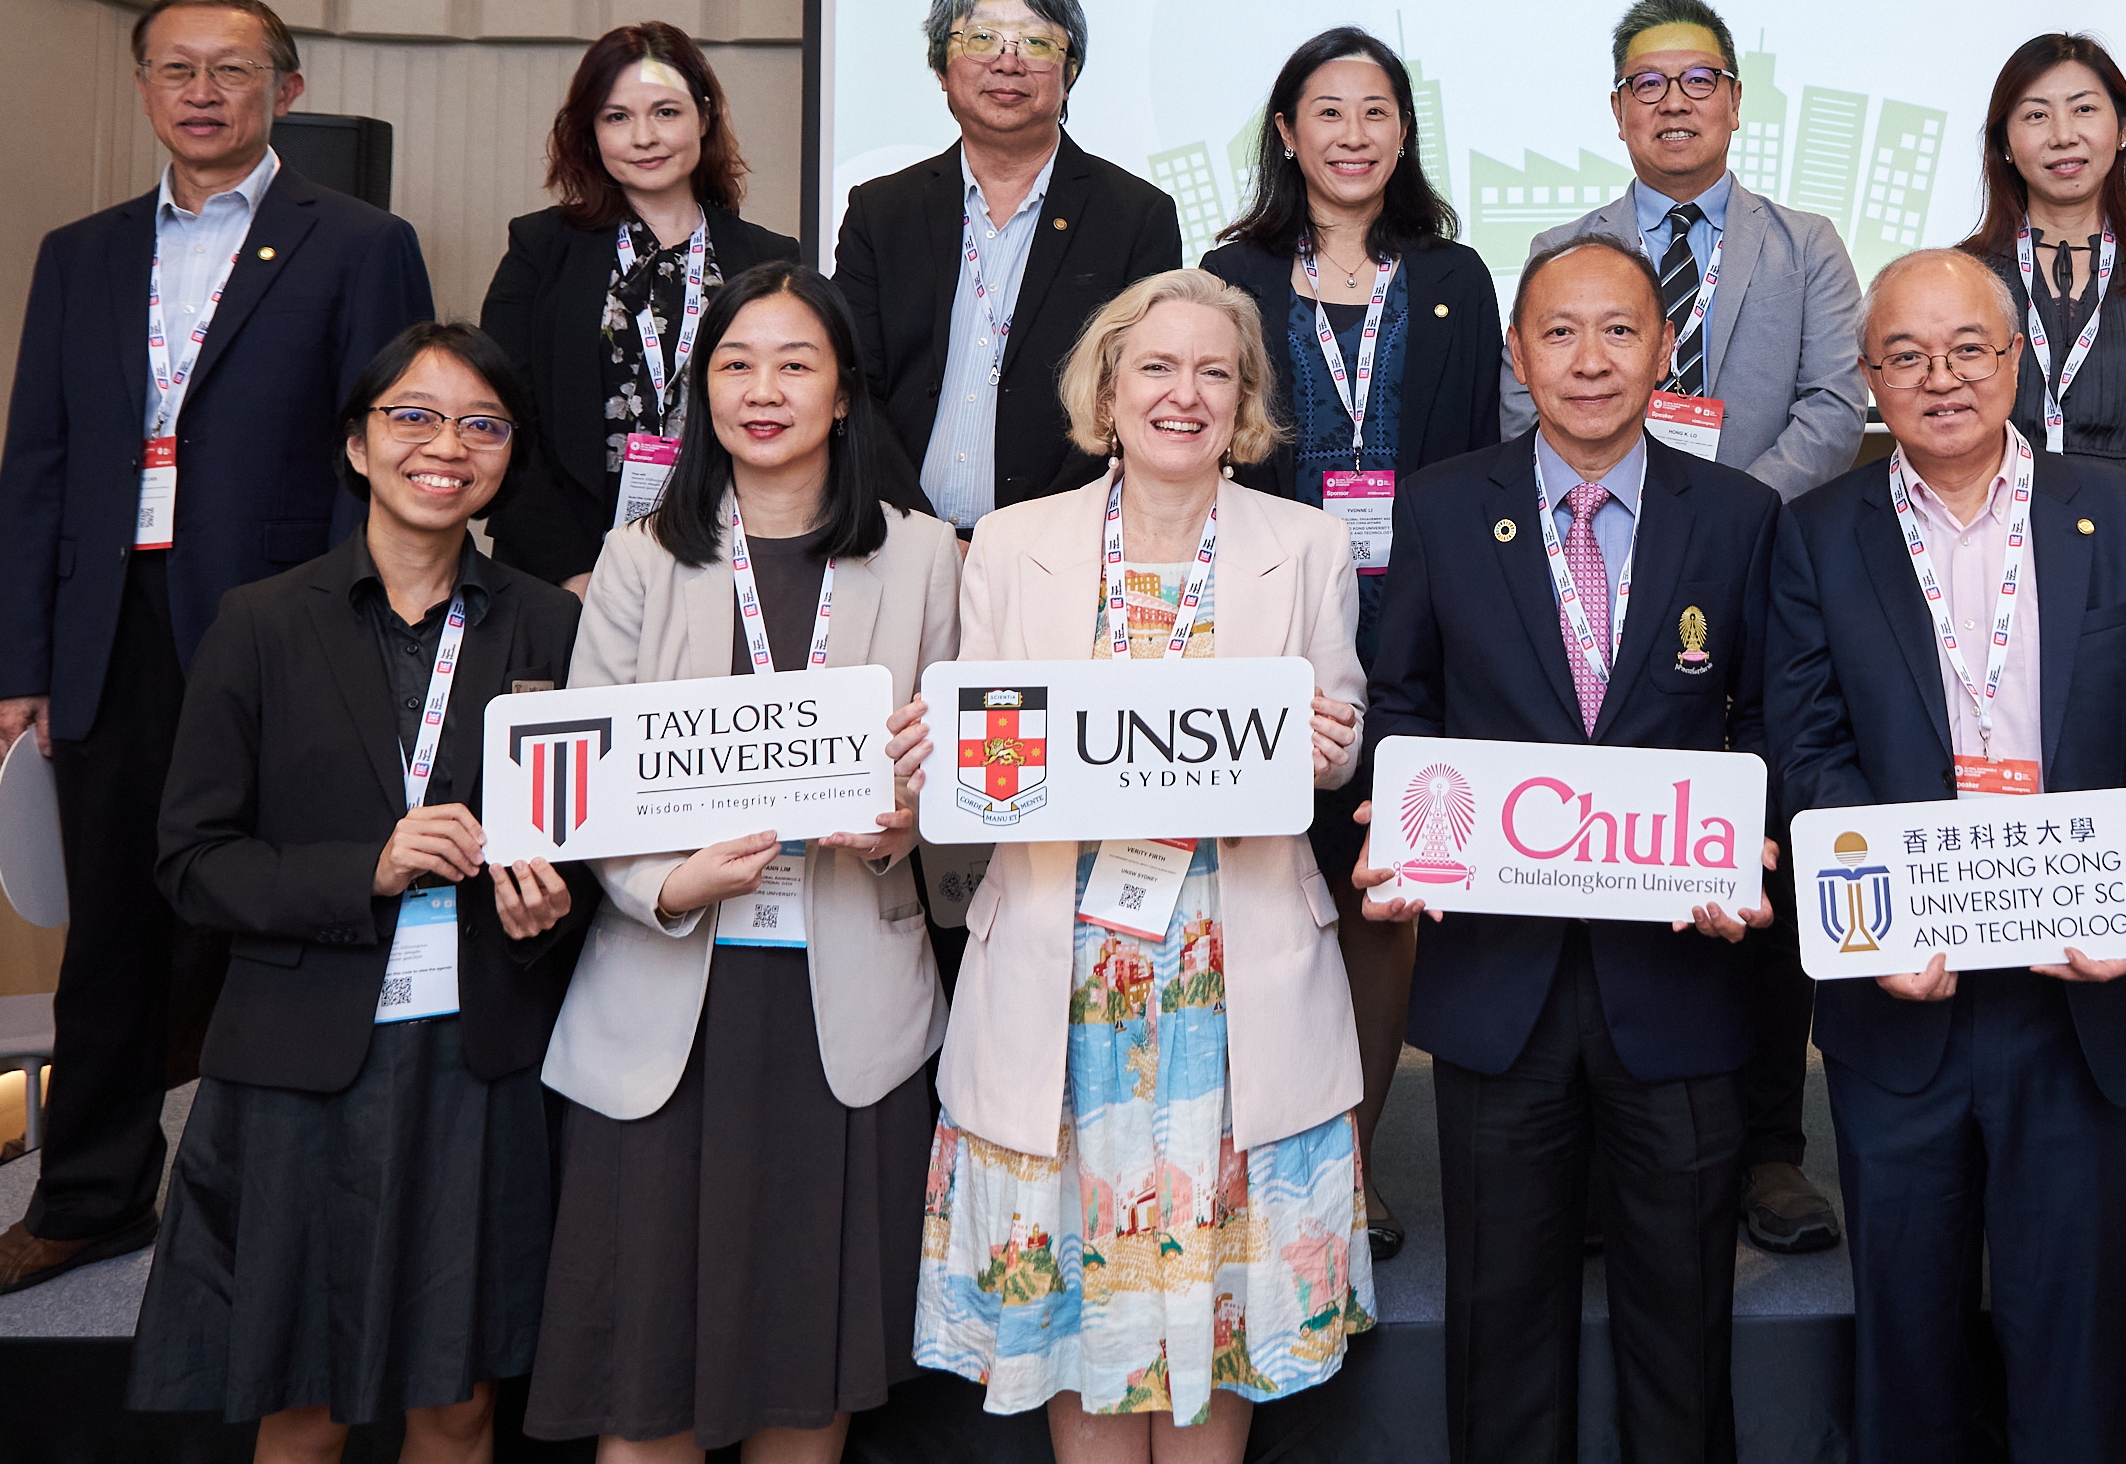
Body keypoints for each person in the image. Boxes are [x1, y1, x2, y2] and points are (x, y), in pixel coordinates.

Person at [0, 0, 435, 1303]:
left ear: (286, 86)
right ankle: (87, 1200)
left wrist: (368, 636)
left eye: (233, 69)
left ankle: (295, 1213)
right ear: (147, 86)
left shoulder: (357, 240)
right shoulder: (81, 254)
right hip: (111, 631)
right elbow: (37, 463)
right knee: (110, 930)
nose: (203, 90)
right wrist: (20, 661)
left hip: (287, 632)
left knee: (284, 924)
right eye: (177, 68)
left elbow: (390, 449)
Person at [1768, 249, 2126, 1464]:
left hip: (2081, 993)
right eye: (1905, 356)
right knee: (1905, 1348)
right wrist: (1879, 918)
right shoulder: (1815, 535)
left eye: (1967, 347)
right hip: (1903, 994)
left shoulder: (2125, 517)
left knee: (2070, 1355)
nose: (1941, 376)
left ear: (2015, 357)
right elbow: (1804, 751)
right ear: (1868, 379)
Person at [915, 269, 1378, 1454]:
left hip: (1234, 982)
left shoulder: (1307, 542)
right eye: (1157, 368)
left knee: (1211, 1309)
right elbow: (985, 757)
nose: (1185, 394)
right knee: (1082, 1314)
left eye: (1214, 371)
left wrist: (1333, 745)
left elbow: (1332, 732)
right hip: (1062, 983)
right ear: (1107, 388)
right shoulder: (1013, 544)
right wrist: (935, 750)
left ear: (1245, 399)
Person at [1354, 231, 1783, 1464]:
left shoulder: (1739, 516)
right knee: (1499, 1318)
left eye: (1617, 331)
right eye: (1558, 332)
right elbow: (1405, 704)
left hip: (1683, 976)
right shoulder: (1443, 504)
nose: (1588, 360)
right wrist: (1410, 831)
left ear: (1661, 349)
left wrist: (1745, 848)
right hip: (1499, 977)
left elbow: (1764, 718)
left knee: (1682, 1321)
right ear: (1514, 354)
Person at [125, 323, 588, 1460]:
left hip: (476, 1055)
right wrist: (365, 867)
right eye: (413, 417)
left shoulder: (551, 625)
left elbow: (579, 837)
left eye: (482, 423)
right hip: (300, 1058)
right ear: (357, 443)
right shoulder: (261, 621)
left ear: (507, 454)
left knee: (460, 1398)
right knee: (302, 1396)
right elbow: (190, 858)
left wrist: (546, 906)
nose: (447, 445)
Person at [524, 263, 954, 1463]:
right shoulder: (639, 558)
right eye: (734, 362)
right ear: (700, 385)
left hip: (843, 1008)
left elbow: (965, 773)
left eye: (795, 361)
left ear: (843, 389)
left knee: (803, 1389)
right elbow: (583, 779)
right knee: (643, 1383)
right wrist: (662, 883)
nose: (762, 390)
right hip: (671, 1007)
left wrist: (909, 823)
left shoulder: (923, 555)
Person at [1498, 0, 1859, 1253]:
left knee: (1749, 825)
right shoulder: (1564, 243)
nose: (1673, 101)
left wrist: (1710, 515)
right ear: (1615, 106)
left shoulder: (1802, 240)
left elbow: (1832, 399)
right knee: (1607, 828)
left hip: (1765, 562)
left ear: (1734, 100)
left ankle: (1765, 1142)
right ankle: (1599, 1125)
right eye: (1647, 82)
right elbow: (1520, 402)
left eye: (1697, 78)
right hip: (1590, 569)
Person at [1201, 26, 1505, 1259]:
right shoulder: (1233, 271)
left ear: (1402, 131)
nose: (1352, 134)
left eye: (1375, 110)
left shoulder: (1452, 274)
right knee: (1269, 889)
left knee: (1382, 899)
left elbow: (1477, 455)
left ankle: (1357, 1163)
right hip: (1273, 613)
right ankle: (1249, 1155)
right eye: (1326, 111)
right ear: (1286, 131)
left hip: (1416, 616)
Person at [833, 0, 1180, 533]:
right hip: (894, 538)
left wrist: (1022, 541)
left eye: (1036, 43)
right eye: (981, 38)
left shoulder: (1133, 216)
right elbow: (852, 386)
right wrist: (918, 533)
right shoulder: (881, 211)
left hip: (1060, 546)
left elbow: (1130, 395)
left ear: (1070, 74)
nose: (1007, 62)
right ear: (942, 69)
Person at [479, 24, 796, 592]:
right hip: (562, 567)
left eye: (666, 112)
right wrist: (572, 572)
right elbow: (502, 416)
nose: (644, 137)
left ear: (703, 117)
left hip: (728, 561)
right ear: (590, 132)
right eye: (617, 117)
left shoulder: (769, 258)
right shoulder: (540, 249)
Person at [1961, 33, 2126, 505]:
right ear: (2005, 144)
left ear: (2122, 129)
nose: (2063, 135)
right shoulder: (1961, 278)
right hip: (1991, 534)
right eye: (2036, 115)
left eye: (2083, 109)